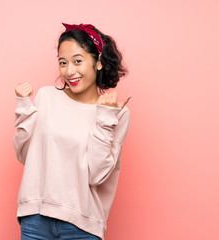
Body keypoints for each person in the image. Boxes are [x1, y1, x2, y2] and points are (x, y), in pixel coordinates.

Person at [13, 22, 131, 240]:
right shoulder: (46, 97)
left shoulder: (116, 113)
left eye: (78, 61)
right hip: (35, 219)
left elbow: (97, 175)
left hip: (82, 227)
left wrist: (105, 118)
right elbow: (25, 156)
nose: (69, 71)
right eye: (63, 63)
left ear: (98, 62)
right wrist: (23, 109)